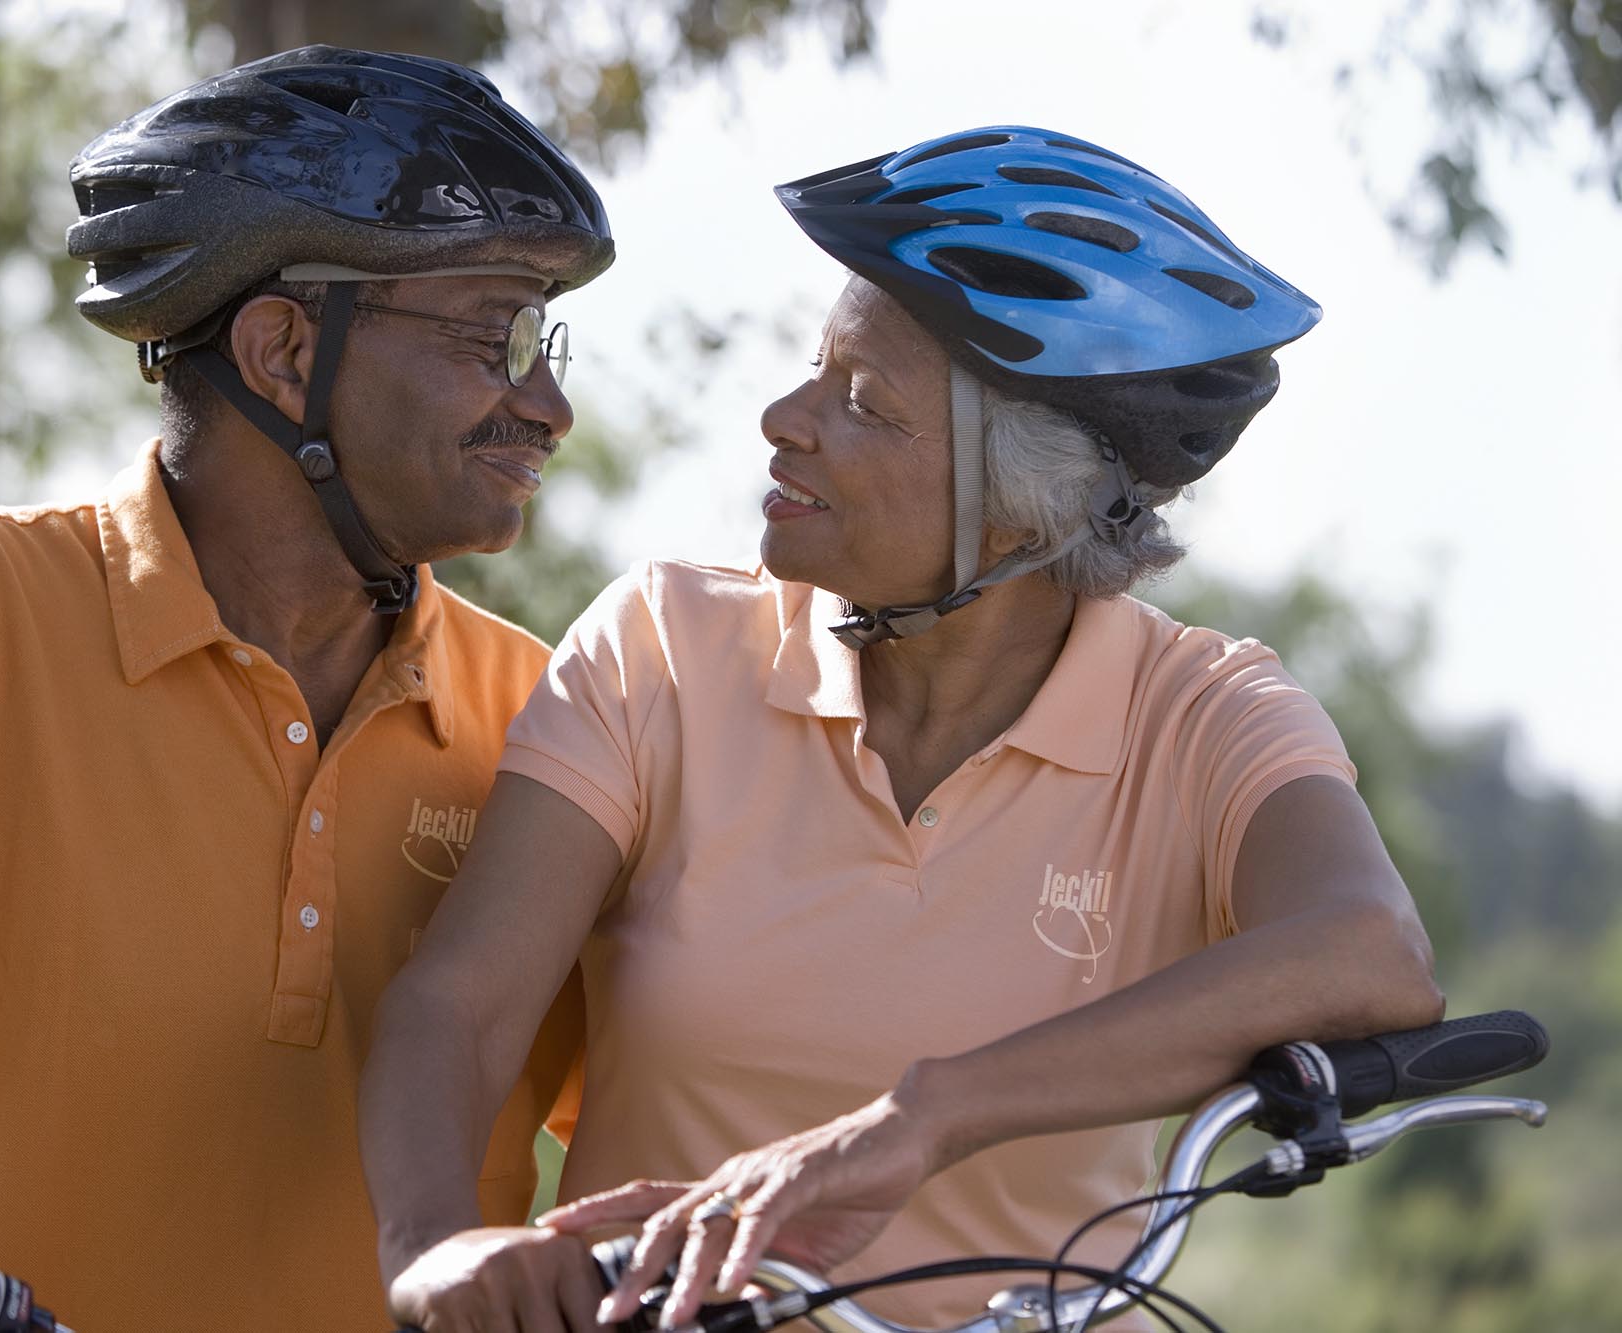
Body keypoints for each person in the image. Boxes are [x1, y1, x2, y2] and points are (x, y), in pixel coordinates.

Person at [358, 125, 1445, 1333]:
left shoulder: (1202, 712)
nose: (783, 416)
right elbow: (458, 1000)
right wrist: (435, 1247)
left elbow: (1367, 952)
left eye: (862, 402)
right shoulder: (665, 645)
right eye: (812, 368)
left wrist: (923, 1116)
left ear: (1020, 507)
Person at [0, 46, 609, 1333]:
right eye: (496, 338)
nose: (547, 403)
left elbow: (695, 1096)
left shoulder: (549, 718)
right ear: (280, 347)